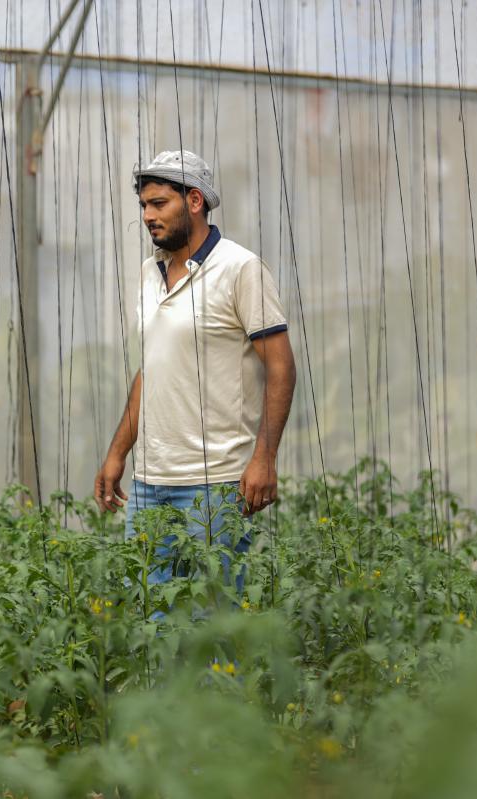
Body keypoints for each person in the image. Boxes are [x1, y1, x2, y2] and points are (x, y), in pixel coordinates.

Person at [93, 149, 296, 597]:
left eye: (158, 203)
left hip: (214, 486)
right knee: (151, 623)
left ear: (195, 201)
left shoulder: (240, 269)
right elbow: (153, 369)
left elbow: (281, 368)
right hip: (150, 485)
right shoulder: (150, 273)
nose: (147, 215)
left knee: (213, 630)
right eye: (143, 205)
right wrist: (118, 453)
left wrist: (265, 457)